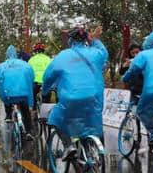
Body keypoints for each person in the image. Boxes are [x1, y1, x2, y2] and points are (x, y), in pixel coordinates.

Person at [41, 26, 107, 160]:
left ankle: (68, 146)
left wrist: (45, 90)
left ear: (70, 40)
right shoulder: (96, 53)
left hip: (71, 97)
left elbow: (48, 77)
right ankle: (96, 152)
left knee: (55, 117)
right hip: (94, 97)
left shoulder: (63, 55)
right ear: (85, 39)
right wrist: (94, 40)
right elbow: (104, 52)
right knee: (91, 121)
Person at [0, 45, 35, 136]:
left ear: (6, 55)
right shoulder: (25, 65)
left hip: (8, 96)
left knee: (6, 94)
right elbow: (32, 78)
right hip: (23, 95)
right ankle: (28, 131)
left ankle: (8, 115)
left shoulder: (1, 66)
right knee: (25, 110)